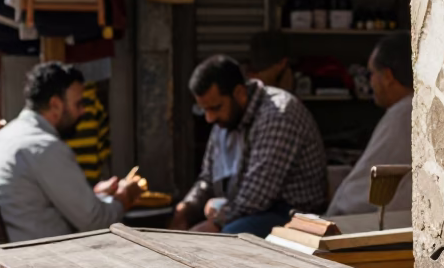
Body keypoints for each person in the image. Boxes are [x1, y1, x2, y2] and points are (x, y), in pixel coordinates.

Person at [0, 62, 144, 242]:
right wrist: (123, 198)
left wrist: (95, 196)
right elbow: (95, 222)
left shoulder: (0, 139)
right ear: (55, 104)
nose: (83, 111)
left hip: (3, 256)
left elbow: (38, 201)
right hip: (34, 260)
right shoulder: (44, 147)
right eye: (78, 104)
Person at [172, 55, 327, 237]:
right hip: (244, 208)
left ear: (239, 93)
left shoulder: (278, 115)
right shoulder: (224, 122)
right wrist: (186, 209)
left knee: (227, 237)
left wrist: (215, 224)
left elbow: (256, 198)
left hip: (292, 215)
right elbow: (208, 178)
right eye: (204, 110)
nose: (209, 118)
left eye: (215, 108)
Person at [327, 32, 414, 216]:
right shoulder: (409, 109)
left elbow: (358, 194)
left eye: (372, 73)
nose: (370, 81)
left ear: (388, 76)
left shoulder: (403, 114)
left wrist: (330, 218)